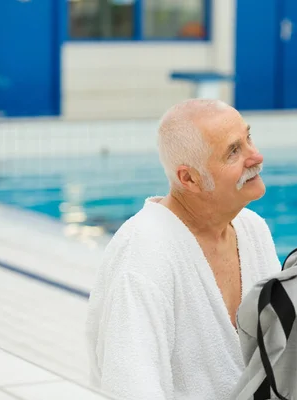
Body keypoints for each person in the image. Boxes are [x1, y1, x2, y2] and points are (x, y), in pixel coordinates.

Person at [85, 99, 282, 400]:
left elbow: (283, 349)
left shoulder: (252, 230)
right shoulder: (145, 255)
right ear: (188, 178)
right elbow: (130, 387)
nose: (256, 157)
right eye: (233, 151)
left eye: (248, 138)